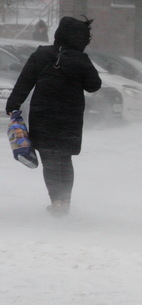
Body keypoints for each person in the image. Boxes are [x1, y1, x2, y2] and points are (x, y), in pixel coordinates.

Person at [5, 16, 102, 216]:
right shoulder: (80, 59)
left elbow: (25, 81)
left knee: (49, 158)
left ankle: (56, 201)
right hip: (69, 118)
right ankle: (64, 200)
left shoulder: (41, 54)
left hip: (43, 116)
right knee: (64, 158)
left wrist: (13, 104)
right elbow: (94, 85)